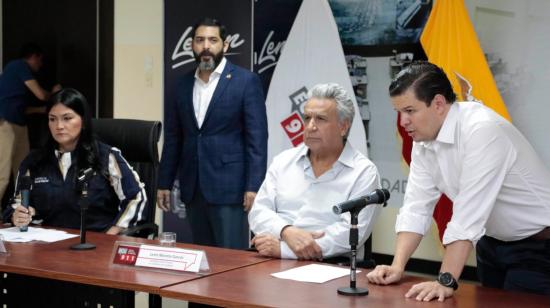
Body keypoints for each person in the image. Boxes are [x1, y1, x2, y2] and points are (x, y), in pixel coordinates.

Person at [366, 61, 550, 300]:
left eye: (410, 111)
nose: (403, 122)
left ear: (439, 103)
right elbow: (416, 207)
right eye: (399, 112)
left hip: (538, 247)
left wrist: (446, 280)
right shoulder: (424, 141)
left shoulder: (481, 129)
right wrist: (397, 266)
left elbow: (467, 214)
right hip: (491, 244)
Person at [157, 18, 268, 249]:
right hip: (193, 186)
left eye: (212, 40)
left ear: (224, 46)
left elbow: (257, 139)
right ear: (192, 46)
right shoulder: (182, 84)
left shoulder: (246, 81)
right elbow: (174, 137)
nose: (206, 46)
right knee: (202, 256)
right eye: (200, 40)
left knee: (230, 260)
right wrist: (164, 182)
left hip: (230, 188)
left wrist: (253, 186)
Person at [248, 83, 381, 260]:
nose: (310, 126)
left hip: (330, 267)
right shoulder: (283, 161)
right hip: (272, 259)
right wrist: (286, 231)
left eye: (321, 119)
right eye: (307, 118)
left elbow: (349, 234)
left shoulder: (363, 172)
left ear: (343, 127)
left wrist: (284, 250)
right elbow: (258, 211)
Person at [3, 88, 146, 234]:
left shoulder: (106, 156)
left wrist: (112, 234)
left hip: (95, 244)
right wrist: (17, 216)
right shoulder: (34, 161)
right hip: (46, 245)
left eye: (67, 118)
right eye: (52, 119)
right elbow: (15, 205)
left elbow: (136, 197)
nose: (59, 126)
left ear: (83, 121)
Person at [0, 43, 61, 206]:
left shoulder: (14, 74)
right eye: (40, 61)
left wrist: (41, 110)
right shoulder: (18, 66)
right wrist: (55, 93)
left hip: (19, 124)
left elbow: (22, 108)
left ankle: (22, 209)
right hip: (5, 124)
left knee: (23, 170)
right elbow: (41, 94)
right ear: (34, 56)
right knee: (3, 174)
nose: (40, 66)